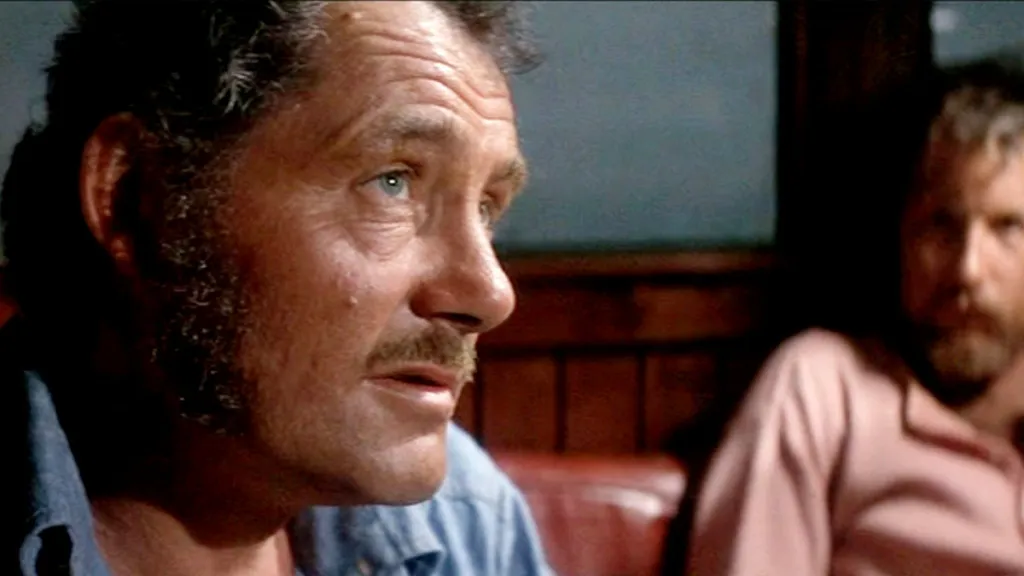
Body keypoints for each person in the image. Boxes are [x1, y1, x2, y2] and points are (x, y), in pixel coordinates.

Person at [1, 1, 555, 575]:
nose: (492, 295)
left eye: (486, 207)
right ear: (135, 198)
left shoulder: (466, 520)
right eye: (391, 182)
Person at [687, 55, 1024, 575]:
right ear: (899, 238)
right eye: (940, 225)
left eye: (1007, 228)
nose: (968, 270)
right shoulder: (821, 387)